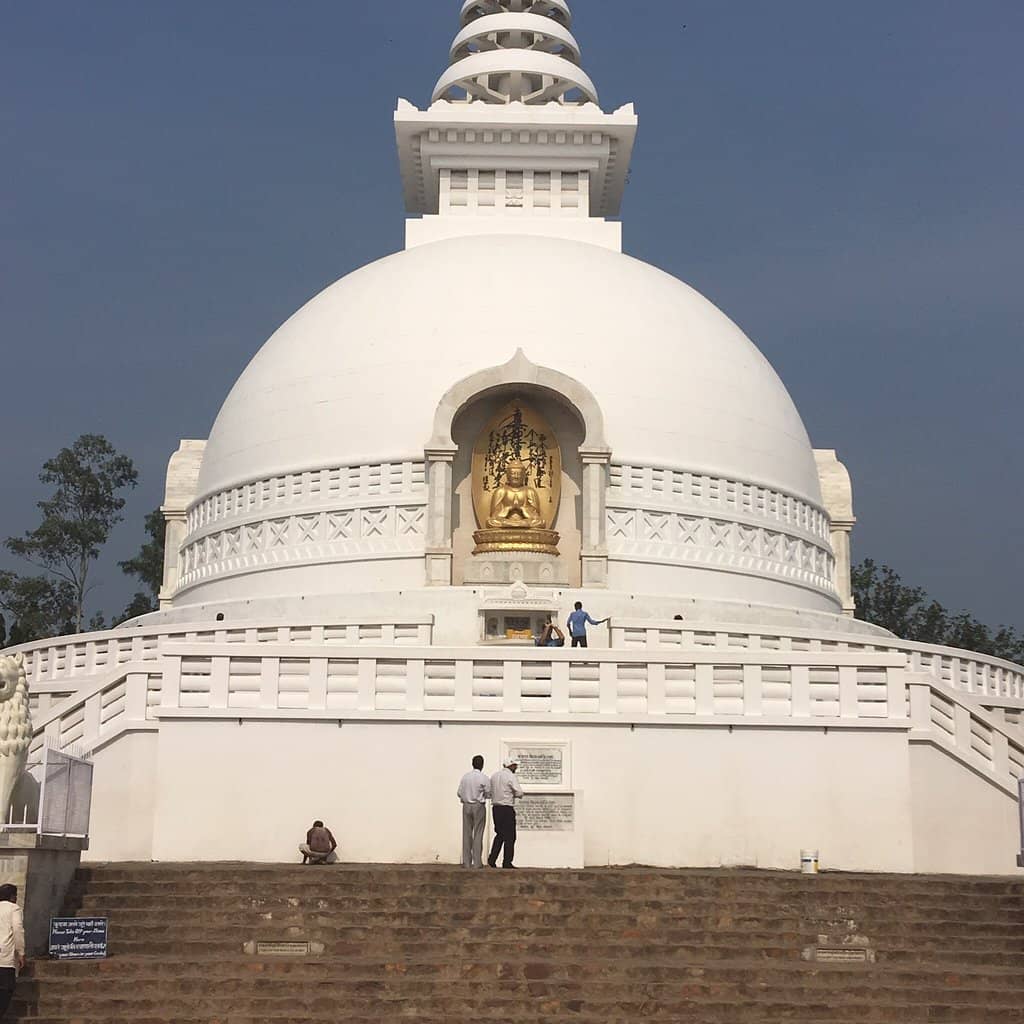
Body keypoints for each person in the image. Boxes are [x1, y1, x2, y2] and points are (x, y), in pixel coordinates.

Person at [487, 758, 525, 869]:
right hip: (507, 809)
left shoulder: (494, 776)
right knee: (510, 836)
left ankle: (492, 859)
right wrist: (514, 794)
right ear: (511, 766)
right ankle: (507, 862)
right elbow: (519, 792)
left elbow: (489, 792)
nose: (516, 768)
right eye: (515, 765)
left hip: (496, 809)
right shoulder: (511, 776)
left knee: (499, 835)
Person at [456, 755, 491, 868]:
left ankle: (466, 862)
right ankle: (477, 862)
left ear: (472, 764)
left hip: (466, 805)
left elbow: (459, 793)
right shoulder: (483, 778)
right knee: (478, 833)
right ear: (482, 765)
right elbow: (488, 793)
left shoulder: (465, 777)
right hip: (478, 805)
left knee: (466, 833)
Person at [0, 884, 24, 1020]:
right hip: (5, 957)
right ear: (12, 897)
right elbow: (18, 930)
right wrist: (21, 952)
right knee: (6, 989)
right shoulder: (14, 909)